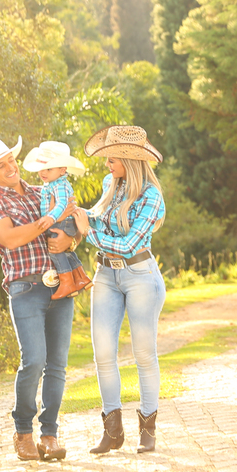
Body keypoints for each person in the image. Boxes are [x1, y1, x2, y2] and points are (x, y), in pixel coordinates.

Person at [0, 136, 88, 462]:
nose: (10, 168)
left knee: (57, 365)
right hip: (25, 290)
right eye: (0, 165)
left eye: (10, 160)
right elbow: (10, 238)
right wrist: (47, 222)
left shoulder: (44, 191)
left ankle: (49, 435)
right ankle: (23, 431)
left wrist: (69, 239)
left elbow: (71, 225)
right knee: (34, 360)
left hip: (60, 286)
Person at [81, 126, 167, 455]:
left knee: (144, 355)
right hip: (105, 274)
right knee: (103, 355)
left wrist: (87, 232)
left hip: (139, 274)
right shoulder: (109, 185)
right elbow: (101, 223)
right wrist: (82, 216)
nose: (107, 164)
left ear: (129, 160)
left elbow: (129, 244)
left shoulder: (150, 196)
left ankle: (147, 430)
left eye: (112, 158)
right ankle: (112, 431)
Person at [22, 141, 94, 301]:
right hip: (64, 222)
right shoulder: (52, 184)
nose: (43, 172)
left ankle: (67, 282)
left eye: (49, 168)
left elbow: (62, 204)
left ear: (63, 170)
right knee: (67, 253)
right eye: (41, 168)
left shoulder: (59, 185)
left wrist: (50, 218)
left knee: (54, 251)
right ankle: (81, 277)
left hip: (61, 222)